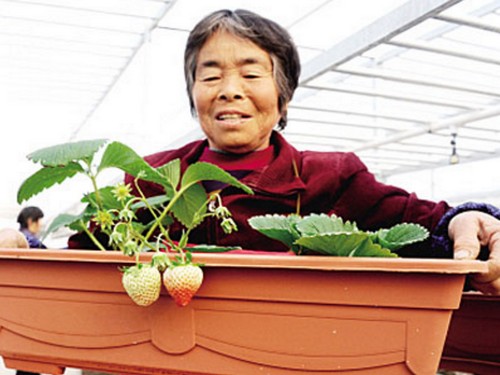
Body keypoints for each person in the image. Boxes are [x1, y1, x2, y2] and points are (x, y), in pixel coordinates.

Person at [72, 9, 500, 295]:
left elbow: (425, 227)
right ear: (193, 93)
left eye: (251, 73)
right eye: (210, 76)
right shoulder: (150, 178)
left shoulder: (330, 177)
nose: (229, 90)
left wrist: (468, 222)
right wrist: (23, 244)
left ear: (284, 94)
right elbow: (77, 259)